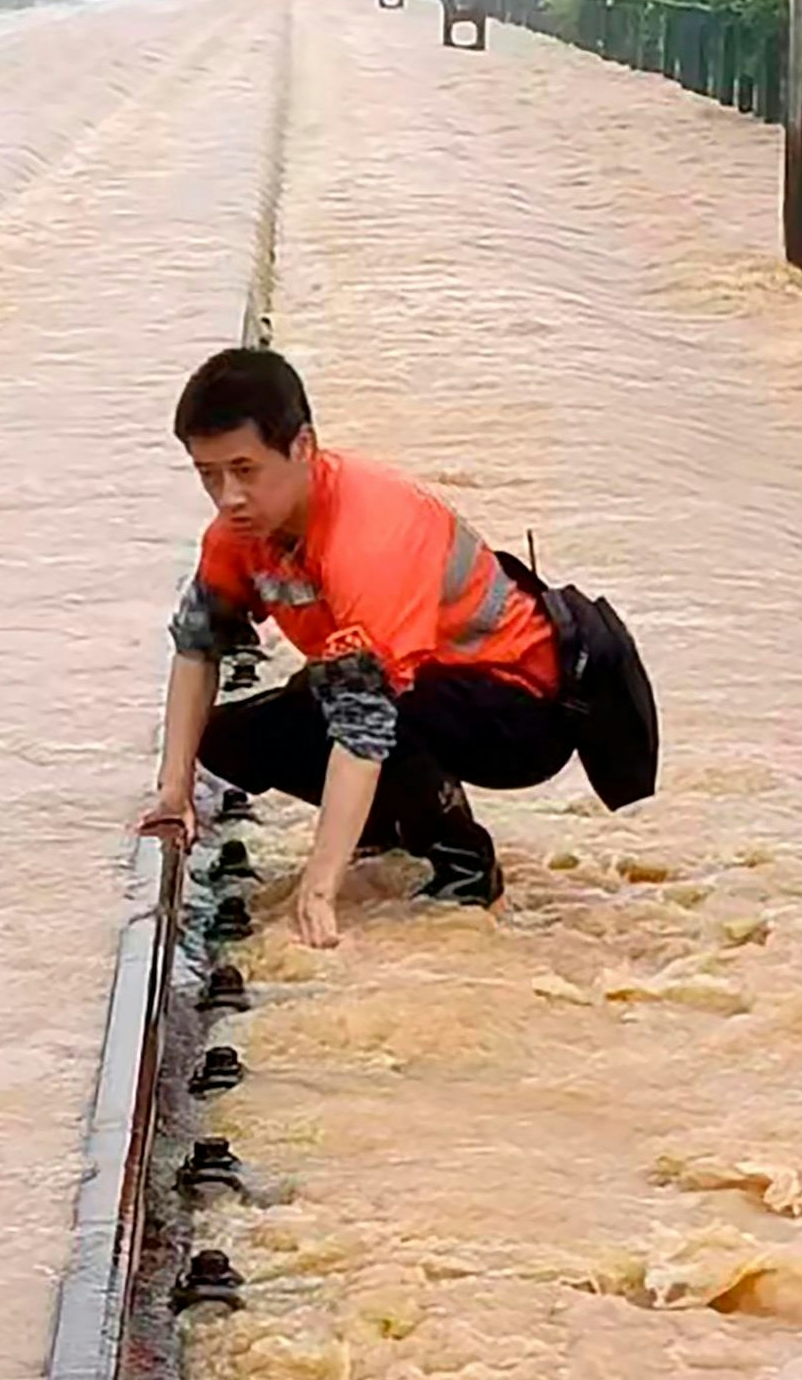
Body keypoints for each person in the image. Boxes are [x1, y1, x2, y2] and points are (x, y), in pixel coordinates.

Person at [136, 346, 650, 950]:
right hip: (420, 691)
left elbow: (365, 718)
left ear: (303, 447)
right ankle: (395, 826)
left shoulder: (368, 533)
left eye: (245, 470)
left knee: (346, 695)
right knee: (232, 739)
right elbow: (199, 644)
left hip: (525, 708)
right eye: (208, 474)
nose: (228, 497)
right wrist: (174, 793)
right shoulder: (237, 535)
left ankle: (465, 865)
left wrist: (319, 891)